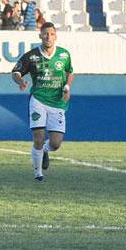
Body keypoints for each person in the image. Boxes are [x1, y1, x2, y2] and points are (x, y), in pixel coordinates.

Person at [11, 22, 74, 181]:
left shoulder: (64, 55)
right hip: (38, 100)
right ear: (40, 36)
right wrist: (21, 82)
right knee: (38, 137)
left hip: (58, 102)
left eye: (51, 34)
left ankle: (45, 150)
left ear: (55, 36)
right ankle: (38, 173)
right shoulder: (32, 56)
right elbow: (16, 72)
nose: (48, 37)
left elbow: (70, 72)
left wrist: (67, 86)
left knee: (56, 143)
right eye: (45, 34)